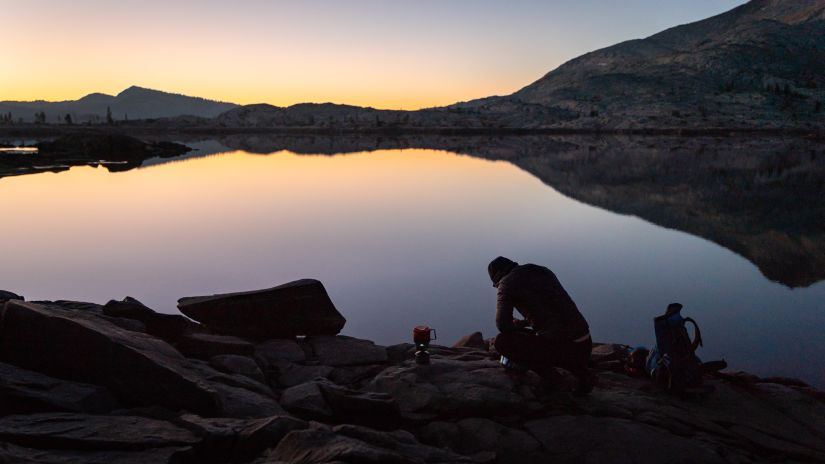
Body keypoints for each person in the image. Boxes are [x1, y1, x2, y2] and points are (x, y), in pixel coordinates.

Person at [488, 256, 595, 395]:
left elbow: (502, 325)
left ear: (498, 276)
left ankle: (554, 379)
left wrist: (515, 327)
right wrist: (524, 323)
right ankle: (582, 373)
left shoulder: (506, 283)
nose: (497, 287)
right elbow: (554, 310)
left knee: (503, 341)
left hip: (562, 348)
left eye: (496, 285)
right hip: (585, 344)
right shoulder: (542, 271)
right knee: (550, 337)